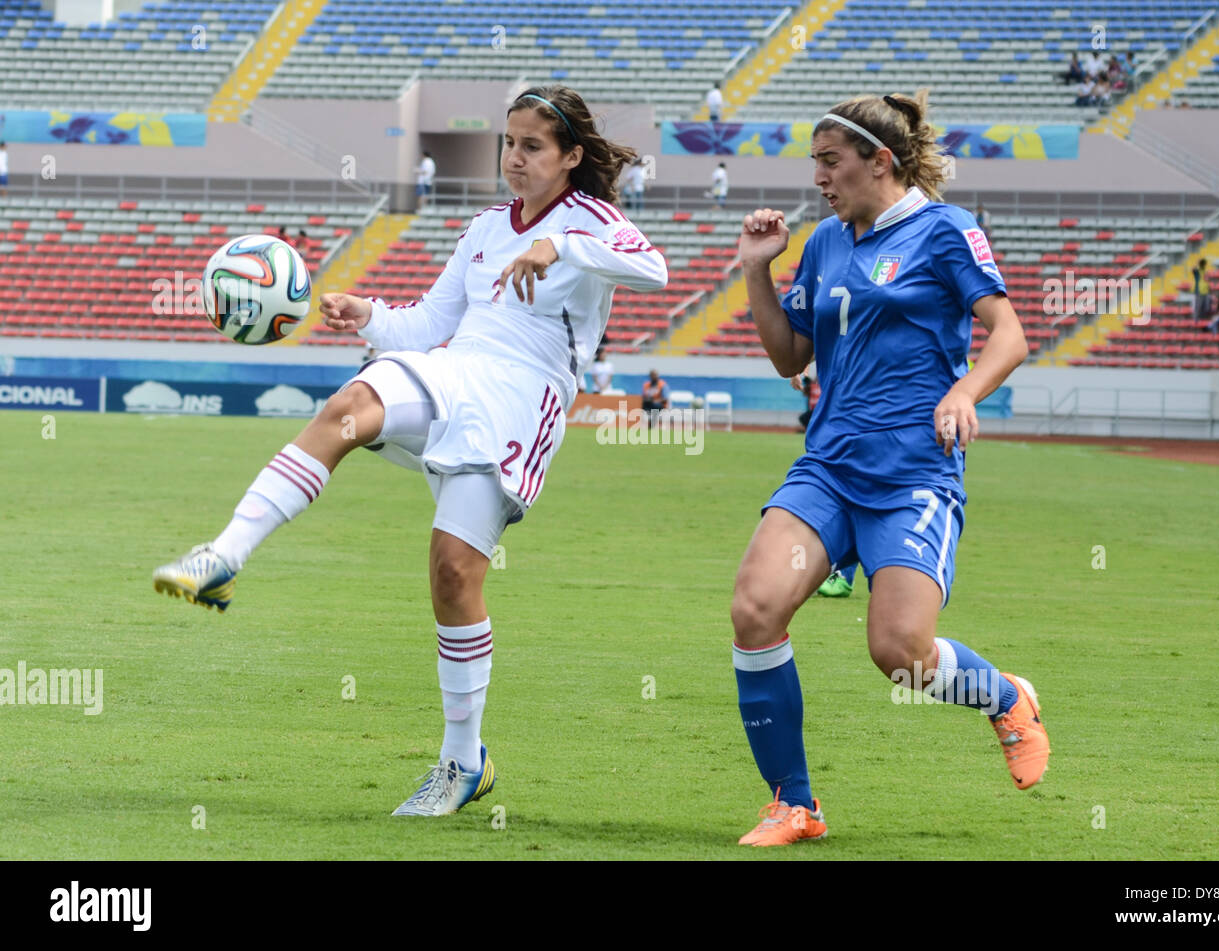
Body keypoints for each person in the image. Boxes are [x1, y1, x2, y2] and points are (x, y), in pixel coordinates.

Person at [152, 85, 668, 818]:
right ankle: (223, 556)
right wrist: (372, 315)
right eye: (508, 143)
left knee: (454, 575)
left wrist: (565, 247)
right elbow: (429, 323)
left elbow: (656, 270)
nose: (513, 159)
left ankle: (463, 761)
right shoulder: (487, 227)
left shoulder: (594, 221)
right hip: (456, 370)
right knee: (349, 405)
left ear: (571, 157)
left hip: (524, 400)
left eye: (532, 147)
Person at [729, 88, 1045, 847]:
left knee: (898, 655)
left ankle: (1006, 696)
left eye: (830, 162)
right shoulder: (829, 241)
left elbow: (1009, 333)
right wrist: (756, 272)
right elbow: (789, 357)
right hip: (829, 467)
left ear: (881, 161)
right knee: (754, 607)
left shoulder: (945, 231)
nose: (818, 178)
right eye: (814, 163)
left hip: (912, 477)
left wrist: (965, 391)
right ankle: (794, 804)